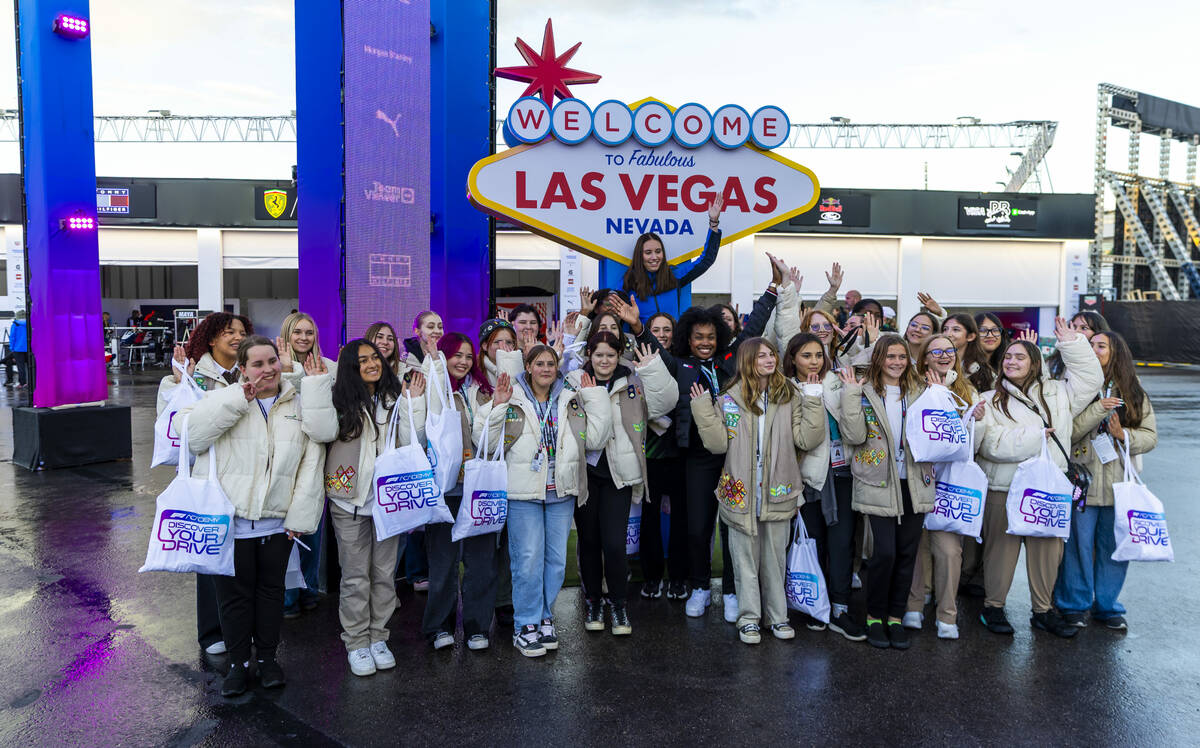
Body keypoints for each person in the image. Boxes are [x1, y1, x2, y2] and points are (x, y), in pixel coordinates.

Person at [623, 262, 788, 624]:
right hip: (696, 459)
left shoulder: (732, 360)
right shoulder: (678, 365)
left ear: (720, 338)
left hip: (736, 458)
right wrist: (637, 326)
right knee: (698, 527)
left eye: (710, 336)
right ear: (688, 338)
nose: (705, 342)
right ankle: (699, 587)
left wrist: (773, 288)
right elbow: (653, 348)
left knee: (732, 526)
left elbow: (754, 326)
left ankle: (730, 591)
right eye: (698, 337)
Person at [186, 335, 332, 697]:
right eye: (257, 364)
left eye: (272, 362)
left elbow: (313, 460)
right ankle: (237, 664)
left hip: (276, 525)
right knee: (233, 599)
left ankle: (267, 659)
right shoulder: (224, 399)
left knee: (270, 595)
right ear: (242, 368)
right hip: (230, 523)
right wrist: (239, 399)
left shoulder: (297, 404)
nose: (267, 370)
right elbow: (192, 438)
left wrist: (298, 518)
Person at [474, 345, 611, 657]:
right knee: (527, 561)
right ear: (528, 366)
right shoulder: (513, 395)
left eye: (551, 363)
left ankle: (545, 616)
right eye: (540, 363)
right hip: (524, 492)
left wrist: (596, 398)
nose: (546, 369)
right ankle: (525, 625)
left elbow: (594, 440)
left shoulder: (570, 397)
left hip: (560, 491)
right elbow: (483, 440)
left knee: (556, 562)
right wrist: (497, 405)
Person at [690, 337, 824, 644]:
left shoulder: (789, 394)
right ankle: (749, 618)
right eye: (761, 355)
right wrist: (702, 409)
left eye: (772, 354)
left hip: (779, 488)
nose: (769, 360)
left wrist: (814, 398)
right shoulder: (729, 397)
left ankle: (778, 618)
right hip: (740, 490)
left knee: (775, 560)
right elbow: (717, 444)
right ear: (747, 360)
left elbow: (807, 439)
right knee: (744, 561)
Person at [976, 318, 1103, 639]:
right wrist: (1035, 436)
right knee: (999, 553)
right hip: (1003, 487)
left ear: (1036, 362)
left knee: (1048, 551)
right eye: (1008, 357)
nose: (1011, 362)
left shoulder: (1059, 392)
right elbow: (990, 445)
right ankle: (993, 607)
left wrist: (1074, 345)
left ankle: (1043, 611)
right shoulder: (989, 398)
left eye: (1020, 357)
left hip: (1047, 488)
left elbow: (1091, 377)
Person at [324, 339, 424, 676]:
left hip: (388, 502)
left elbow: (414, 437)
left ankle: (378, 637)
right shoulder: (337, 399)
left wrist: (416, 403)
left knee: (383, 575)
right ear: (351, 366)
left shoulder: (395, 397)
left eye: (375, 358)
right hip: (348, 499)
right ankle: (356, 642)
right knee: (354, 576)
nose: (372, 364)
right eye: (363, 360)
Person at [157, 311, 252, 657]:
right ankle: (212, 631)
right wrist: (177, 382)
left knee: (241, 558)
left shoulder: (249, 371)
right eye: (229, 332)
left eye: (242, 331)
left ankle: (241, 627)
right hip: (207, 474)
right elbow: (170, 422)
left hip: (243, 473)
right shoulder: (197, 374)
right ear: (211, 338)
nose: (237, 337)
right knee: (209, 551)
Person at [836, 334, 937, 650]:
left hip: (915, 480)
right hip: (878, 480)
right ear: (878, 358)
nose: (896, 362)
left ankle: (896, 616)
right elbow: (853, 435)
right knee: (884, 553)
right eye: (890, 356)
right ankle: (874, 616)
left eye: (902, 357)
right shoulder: (863, 391)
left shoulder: (920, 391)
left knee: (907, 554)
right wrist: (851, 394)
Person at [574, 334, 677, 635]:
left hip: (618, 476)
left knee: (615, 545)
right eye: (598, 355)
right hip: (586, 475)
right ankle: (594, 600)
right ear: (589, 355)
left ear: (619, 355)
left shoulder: (633, 381)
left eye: (610, 355)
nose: (604, 361)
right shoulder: (576, 381)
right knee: (589, 543)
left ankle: (618, 604)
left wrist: (652, 371)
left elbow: (662, 405)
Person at [1054, 331, 1156, 631]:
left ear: (1117, 353)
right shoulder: (1074, 387)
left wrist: (1124, 435)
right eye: (1090, 345)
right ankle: (1074, 604)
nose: (1094, 350)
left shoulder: (1135, 392)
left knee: (1114, 548)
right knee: (1076, 548)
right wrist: (1098, 408)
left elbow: (1151, 437)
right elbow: (1067, 432)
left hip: (1118, 487)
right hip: (1081, 482)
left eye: (1101, 346)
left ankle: (1108, 605)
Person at [422, 333, 502, 651]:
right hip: (445, 488)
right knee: (442, 562)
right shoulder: (435, 386)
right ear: (444, 357)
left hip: (478, 487)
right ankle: (439, 627)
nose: (464, 361)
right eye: (456, 354)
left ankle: (477, 627)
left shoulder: (482, 391)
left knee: (481, 562)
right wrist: (435, 364)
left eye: (468, 356)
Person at [783, 332, 865, 641]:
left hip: (842, 474)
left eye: (818, 354)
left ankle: (840, 608)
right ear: (793, 358)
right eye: (806, 355)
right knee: (811, 542)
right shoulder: (785, 388)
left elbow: (855, 431)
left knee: (841, 543)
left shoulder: (838, 380)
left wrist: (850, 393)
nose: (814, 361)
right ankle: (814, 605)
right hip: (807, 477)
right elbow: (799, 438)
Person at [903, 334, 986, 640]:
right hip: (916, 477)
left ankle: (947, 614)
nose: (943, 355)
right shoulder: (910, 388)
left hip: (950, 483)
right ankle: (914, 604)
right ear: (923, 357)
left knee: (949, 550)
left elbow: (972, 445)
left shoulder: (965, 390)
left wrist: (976, 420)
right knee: (915, 544)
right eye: (934, 351)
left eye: (948, 350)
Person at [276, 311, 336, 619]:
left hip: (317, 454)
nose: (303, 337)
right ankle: (287, 596)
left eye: (309, 332)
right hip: (284, 457)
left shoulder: (329, 367)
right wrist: (288, 371)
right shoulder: (274, 368)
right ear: (286, 336)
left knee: (312, 524)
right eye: (297, 332)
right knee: (287, 529)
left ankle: (309, 590)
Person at [638, 312, 686, 599]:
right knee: (649, 519)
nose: (662, 334)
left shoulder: (682, 361)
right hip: (651, 455)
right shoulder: (636, 362)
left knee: (682, 519)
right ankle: (652, 578)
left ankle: (679, 578)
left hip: (680, 453)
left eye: (667, 329)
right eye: (656, 329)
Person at [621, 196, 724, 325]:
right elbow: (614, 311)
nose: (654, 257)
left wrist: (713, 222)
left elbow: (706, 260)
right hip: (642, 343)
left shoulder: (674, 276)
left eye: (658, 251)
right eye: (648, 253)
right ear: (639, 256)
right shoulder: (629, 281)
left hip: (672, 342)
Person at [1047, 311, 1110, 379]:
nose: (1076, 331)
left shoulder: (1101, 359)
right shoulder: (1055, 361)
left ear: (1098, 332)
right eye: (1073, 327)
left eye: (1084, 328)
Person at [9, 310, 28, 390]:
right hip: (29, 349)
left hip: (18, 349)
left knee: (21, 367)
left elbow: (12, 338)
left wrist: (12, 348)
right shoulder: (30, 323)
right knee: (30, 367)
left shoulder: (15, 324)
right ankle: (30, 382)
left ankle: (22, 383)